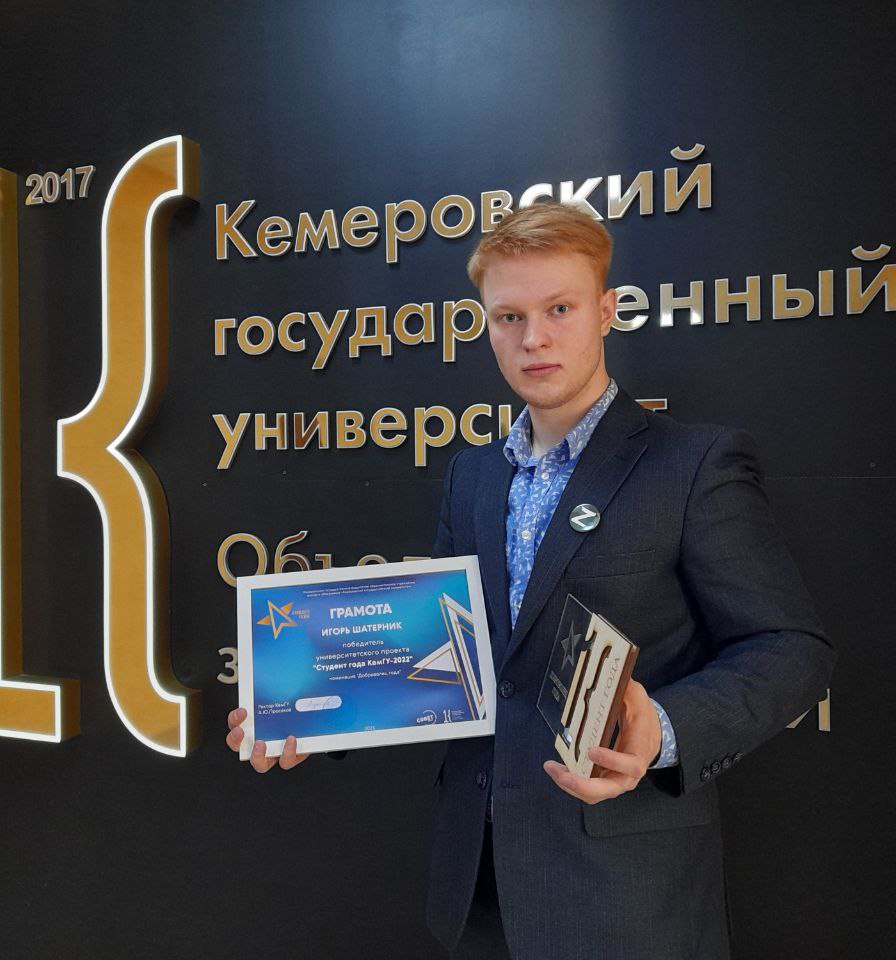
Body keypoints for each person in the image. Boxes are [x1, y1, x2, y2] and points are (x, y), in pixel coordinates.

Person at [227, 202, 834, 959]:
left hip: (625, 900)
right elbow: (444, 661)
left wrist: (663, 728)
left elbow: (790, 648)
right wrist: (308, 720)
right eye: (508, 317)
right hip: (477, 891)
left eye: (559, 309)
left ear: (606, 311)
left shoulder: (692, 465)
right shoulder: (473, 477)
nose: (533, 338)